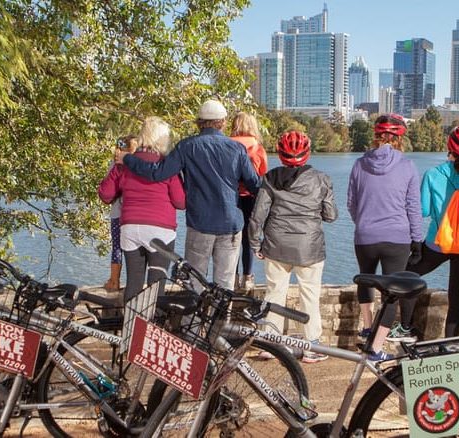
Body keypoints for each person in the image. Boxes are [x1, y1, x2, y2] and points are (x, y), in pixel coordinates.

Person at [115, 99, 260, 291]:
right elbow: (255, 184)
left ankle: (194, 321)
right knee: (225, 286)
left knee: (195, 283)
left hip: (200, 224)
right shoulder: (237, 149)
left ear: (199, 122)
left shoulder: (186, 147)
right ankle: (222, 321)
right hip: (230, 224)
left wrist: (128, 159)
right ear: (223, 122)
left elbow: (157, 172)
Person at [249, 131, 337, 363]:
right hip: (310, 247)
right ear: (307, 153)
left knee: (275, 293)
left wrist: (255, 243)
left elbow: (257, 217)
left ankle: (270, 343)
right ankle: (312, 346)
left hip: (276, 246)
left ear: (280, 154)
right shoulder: (321, 179)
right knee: (310, 295)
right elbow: (330, 215)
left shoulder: (270, 178)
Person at [347, 113, 423, 361]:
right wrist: (417, 239)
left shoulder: (359, 164)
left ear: (376, 136)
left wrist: (364, 222)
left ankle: (367, 327)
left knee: (366, 281)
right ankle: (376, 348)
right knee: (392, 294)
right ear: (400, 138)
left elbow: (352, 203)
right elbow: (413, 207)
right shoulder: (408, 166)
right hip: (397, 238)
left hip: (365, 236)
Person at [98, 117, 185, 302]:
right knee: (156, 286)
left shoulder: (126, 163)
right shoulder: (166, 165)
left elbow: (105, 195)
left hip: (130, 229)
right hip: (161, 231)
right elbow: (180, 202)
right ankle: (152, 327)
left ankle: (130, 327)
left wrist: (117, 169)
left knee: (133, 283)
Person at [409, 124, 459, 337]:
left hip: (436, 243)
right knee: (457, 297)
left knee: (407, 275)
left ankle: (404, 326)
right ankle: (450, 345)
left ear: (449, 146)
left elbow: (424, 210)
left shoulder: (432, 174)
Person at [230, 112, 268, 293]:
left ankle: (233, 277)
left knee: (232, 238)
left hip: (231, 197)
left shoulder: (227, 145)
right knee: (248, 238)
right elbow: (263, 174)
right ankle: (247, 277)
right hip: (251, 197)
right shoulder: (257, 147)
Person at [102, 135, 138, 292]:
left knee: (117, 247)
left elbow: (107, 188)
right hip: (134, 214)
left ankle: (114, 280)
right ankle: (133, 282)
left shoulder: (115, 164)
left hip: (117, 213)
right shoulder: (138, 164)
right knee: (134, 249)